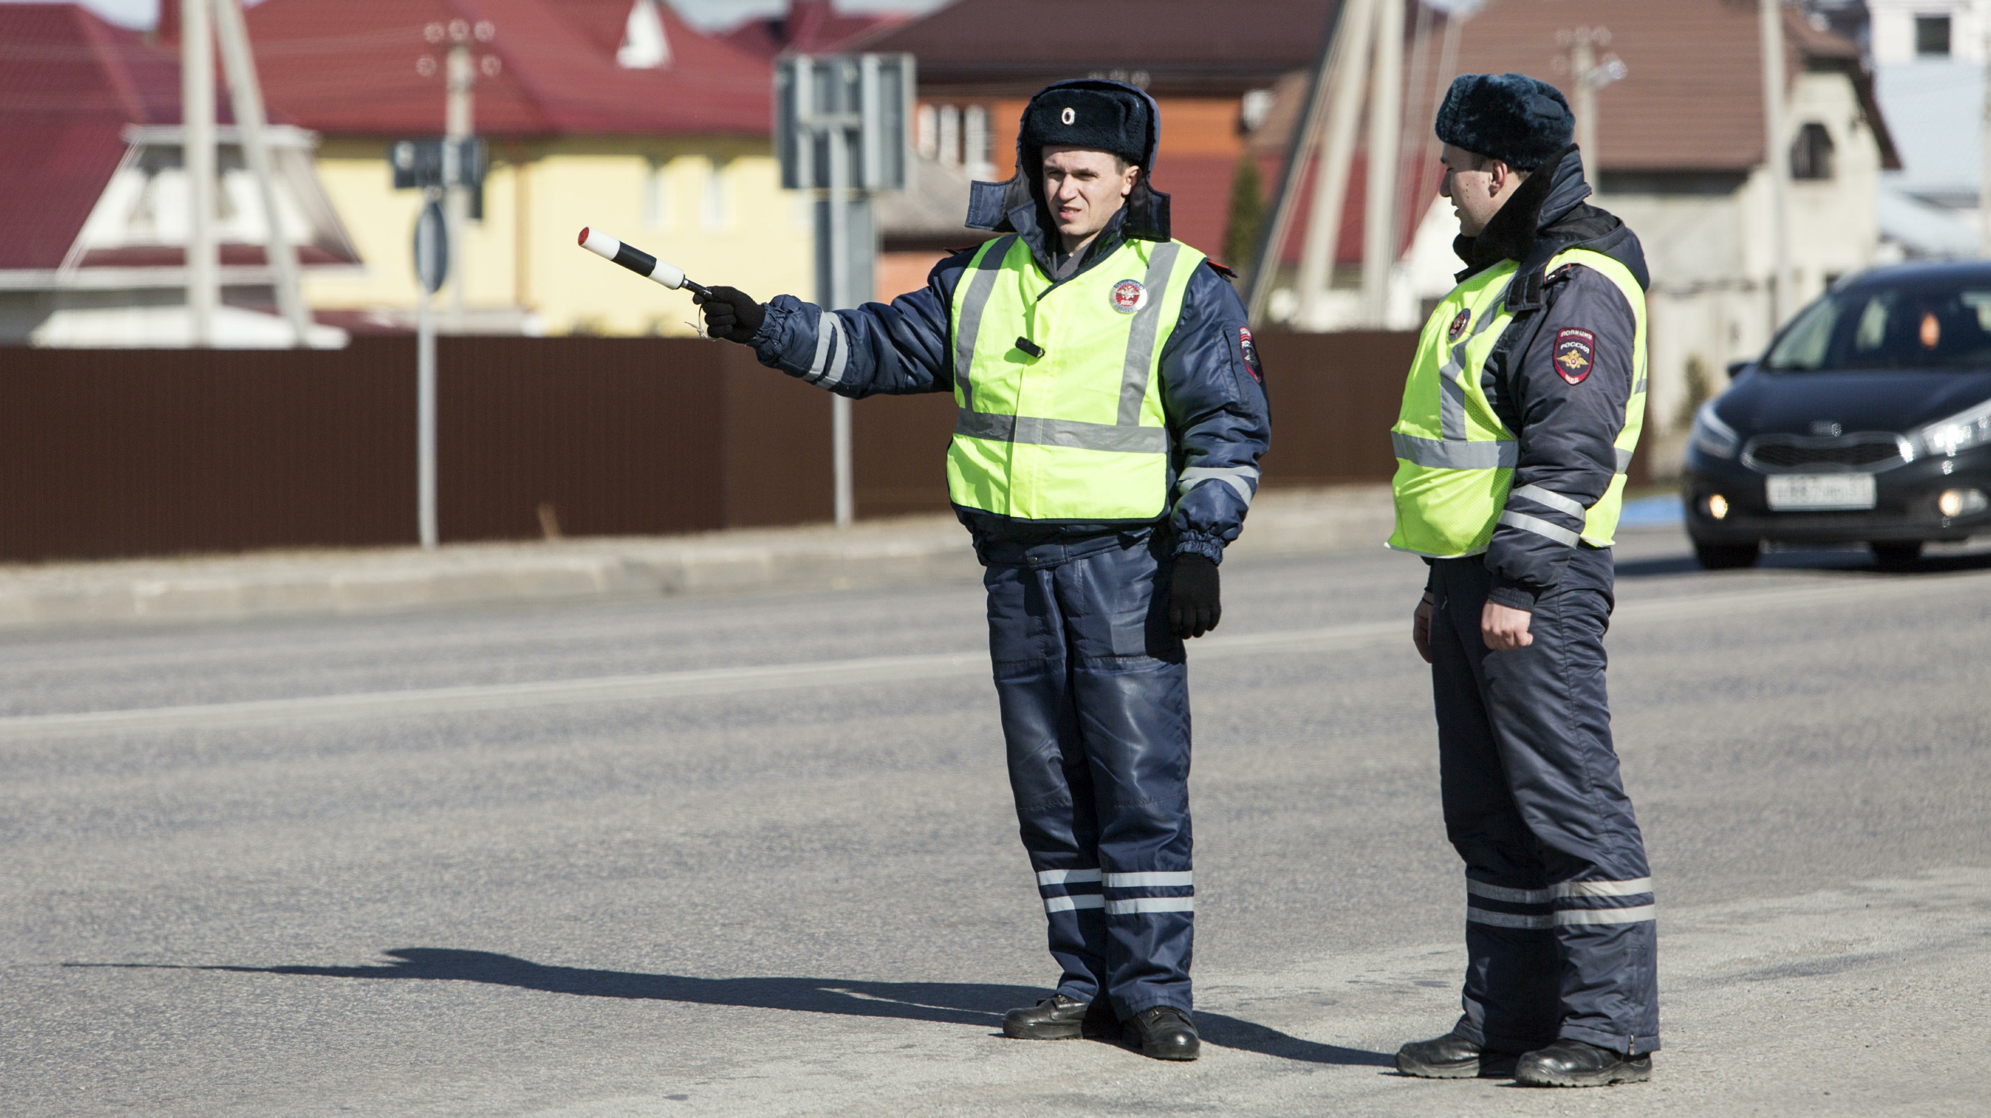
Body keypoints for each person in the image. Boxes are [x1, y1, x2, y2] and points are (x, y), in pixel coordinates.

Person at [691, 79, 1270, 1061]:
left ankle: (1153, 992)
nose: (1065, 190)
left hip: (1124, 567)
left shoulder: (1182, 285)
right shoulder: (979, 278)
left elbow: (1226, 426)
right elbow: (875, 347)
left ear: (1131, 179)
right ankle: (1085, 980)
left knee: (1135, 782)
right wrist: (767, 328)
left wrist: (1198, 549)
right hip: (1014, 571)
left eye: (1086, 174)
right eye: (1050, 172)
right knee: (1048, 786)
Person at [1389, 73, 1658, 1088]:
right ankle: (1503, 1016)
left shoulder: (1572, 280)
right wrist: (1440, 582)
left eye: (1453, 169)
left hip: (1534, 584)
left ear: (1500, 170)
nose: (1446, 188)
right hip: (1473, 580)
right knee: (1488, 812)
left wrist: (1513, 582)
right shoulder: (1499, 275)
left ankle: (1608, 1026)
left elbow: (1567, 450)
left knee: (1566, 802)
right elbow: (1464, 453)